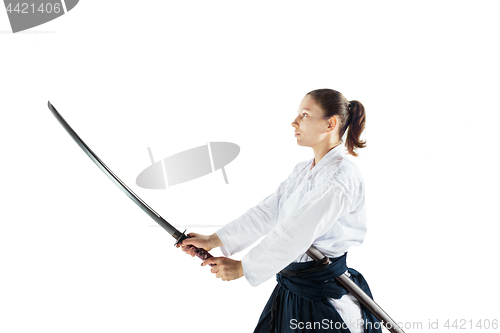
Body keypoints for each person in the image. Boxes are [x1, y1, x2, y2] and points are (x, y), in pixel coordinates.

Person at [177, 89, 382, 333]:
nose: (294, 122)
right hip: (291, 292)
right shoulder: (304, 171)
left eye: (304, 114)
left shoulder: (340, 178)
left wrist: (244, 268)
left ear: (330, 123)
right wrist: (214, 240)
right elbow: (268, 212)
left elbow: (295, 233)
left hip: (324, 298)